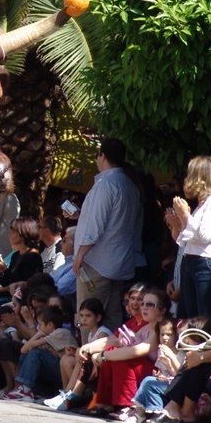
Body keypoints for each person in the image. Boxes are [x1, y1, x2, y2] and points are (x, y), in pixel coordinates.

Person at [73, 138, 143, 331]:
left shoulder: (106, 185)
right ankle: (110, 359)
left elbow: (95, 227)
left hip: (97, 263)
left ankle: (87, 360)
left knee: (88, 318)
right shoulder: (130, 186)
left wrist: (79, 256)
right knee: (112, 317)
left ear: (102, 155)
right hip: (120, 262)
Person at [77, 285, 168, 419]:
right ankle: (103, 403)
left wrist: (104, 355)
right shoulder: (144, 323)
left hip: (162, 373)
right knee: (111, 357)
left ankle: (128, 406)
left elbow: (139, 350)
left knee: (120, 359)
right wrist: (88, 348)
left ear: (163, 309)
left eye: (149, 304)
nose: (142, 306)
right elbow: (113, 340)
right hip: (148, 369)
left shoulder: (161, 325)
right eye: (142, 303)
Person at [164, 155, 211, 322]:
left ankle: (207, 348)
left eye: (190, 174)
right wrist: (177, 225)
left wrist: (185, 215)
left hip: (206, 263)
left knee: (205, 319)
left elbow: (205, 236)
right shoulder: (203, 204)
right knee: (191, 317)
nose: (187, 179)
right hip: (192, 261)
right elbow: (187, 240)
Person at [4, 305, 75, 401]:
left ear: (50, 325)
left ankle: (26, 391)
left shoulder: (61, 332)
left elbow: (31, 345)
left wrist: (39, 333)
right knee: (27, 354)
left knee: (36, 352)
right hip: (54, 373)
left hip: (63, 372)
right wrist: (39, 333)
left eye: (40, 324)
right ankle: (25, 389)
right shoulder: (47, 334)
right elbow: (24, 350)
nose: (38, 327)